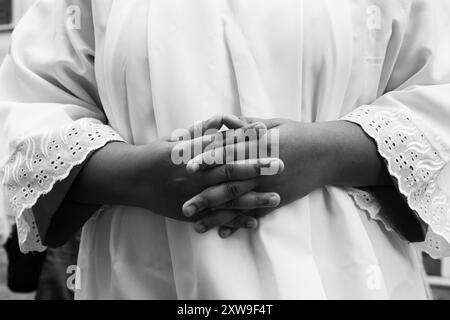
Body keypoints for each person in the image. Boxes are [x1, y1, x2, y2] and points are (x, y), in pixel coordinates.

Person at [1, 0, 450, 299]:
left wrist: (323, 153)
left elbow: (438, 96)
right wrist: (141, 177)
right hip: (143, 274)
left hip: (348, 276)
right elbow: (29, 111)